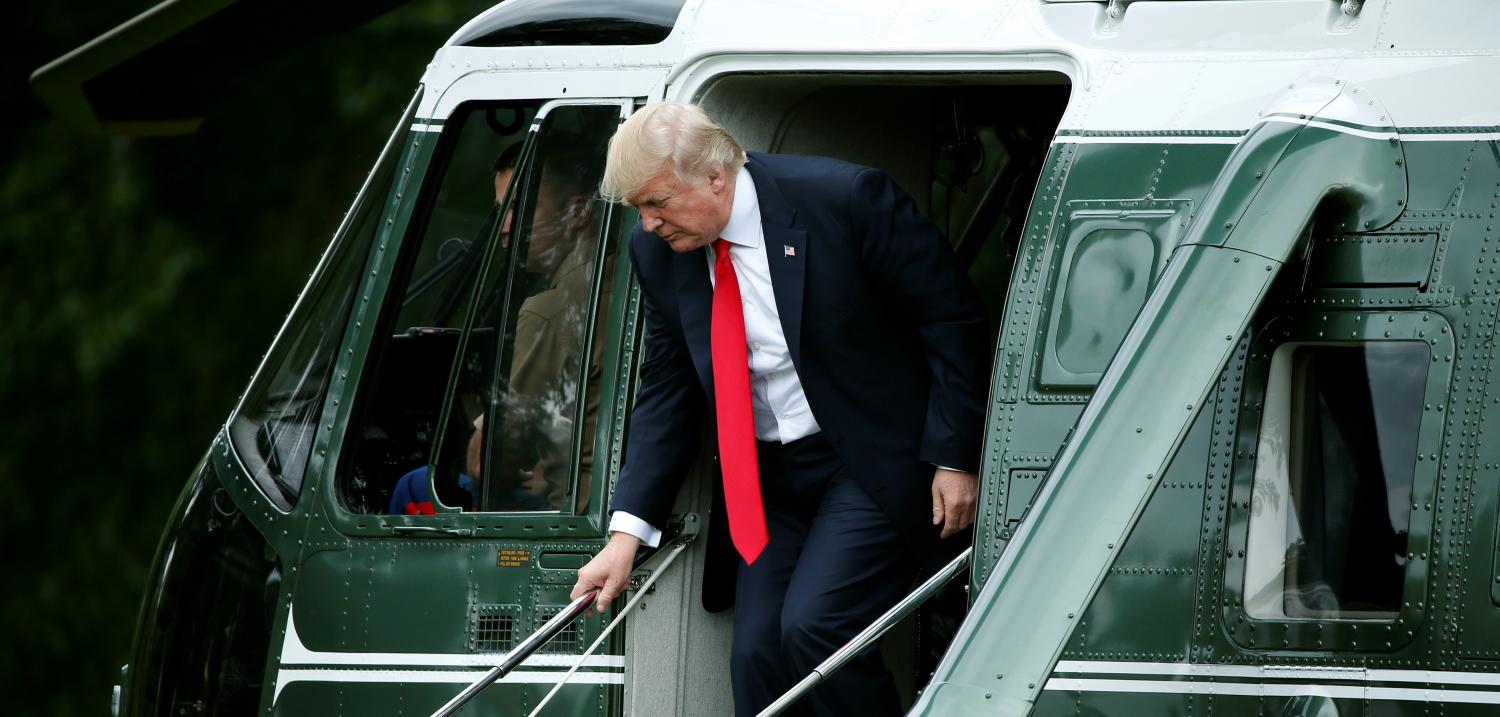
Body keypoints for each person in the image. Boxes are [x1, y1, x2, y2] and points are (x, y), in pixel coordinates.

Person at [570, 101, 988, 716]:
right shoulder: (656, 251)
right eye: (638, 209)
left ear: (715, 176)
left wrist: (955, 455)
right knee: (756, 656)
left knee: (818, 630)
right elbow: (667, 388)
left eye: (657, 203)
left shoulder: (844, 199)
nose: (649, 224)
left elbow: (953, 319)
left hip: (866, 461)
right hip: (764, 480)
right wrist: (625, 535)